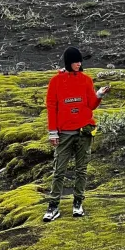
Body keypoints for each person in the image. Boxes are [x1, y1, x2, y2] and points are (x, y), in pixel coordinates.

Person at [43, 46, 109, 222]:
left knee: (81, 170)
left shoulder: (86, 80)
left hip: (84, 132)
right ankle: (53, 206)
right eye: (75, 61)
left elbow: (91, 105)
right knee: (59, 171)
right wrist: (52, 132)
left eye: (80, 61)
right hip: (64, 133)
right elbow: (51, 107)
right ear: (68, 62)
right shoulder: (56, 82)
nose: (78, 64)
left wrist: (99, 95)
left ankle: (78, 203)